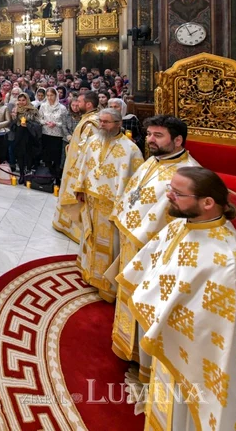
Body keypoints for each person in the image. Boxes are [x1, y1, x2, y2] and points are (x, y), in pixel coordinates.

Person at [118, 167, 236, 431]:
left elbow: (220, 330)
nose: (168, 196)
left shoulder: (230, 261)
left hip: (193, 353)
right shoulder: (180, 224)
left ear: (208, 203)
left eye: (177, 193)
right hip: (168, 336)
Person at [109, 115, 200, 381]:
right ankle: (128, 347)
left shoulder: (188, 176)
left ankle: (144, 359)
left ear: (178, 140)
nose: (150, 140)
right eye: (149, 134)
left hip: (156, 252)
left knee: (147, 303)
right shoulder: (153, 160)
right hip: (133, 242)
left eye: (158, 135)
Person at [73, 108, 143, 302]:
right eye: (100, 121)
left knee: (110, 245)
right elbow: (83, 166)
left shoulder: (131, 150)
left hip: (112, 205)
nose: (101, 125)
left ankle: (106, 285)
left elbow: (136, 182)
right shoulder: (93, 141)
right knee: (90, 236)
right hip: (91, 199)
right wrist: (79, 188)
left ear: (118, 124)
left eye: (106, 122)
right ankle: (89, 273)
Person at [53, 91, 101, 242]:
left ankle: (75, 228)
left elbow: (88, 149)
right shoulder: (88, 118)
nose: (76, 105)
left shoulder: (91, 122)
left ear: (88, 104)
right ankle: (65, 224)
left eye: (79, 102)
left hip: (78, 166)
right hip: (73, 160)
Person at [38, 87, 67, 184]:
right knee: (47, 156)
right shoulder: (43, 106)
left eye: (52, 95)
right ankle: (48, 176)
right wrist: (46, 122)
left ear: (56, 95)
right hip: (46, 133)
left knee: (56, 157)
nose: (50, 97)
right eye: (48, 95)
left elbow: (64, 123)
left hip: (57, 135)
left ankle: (57, 177)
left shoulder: (62, 108)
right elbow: (39, 119)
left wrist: (56, 124)